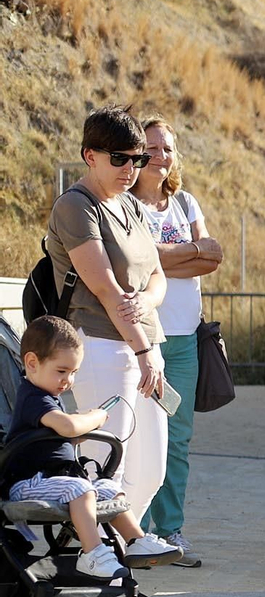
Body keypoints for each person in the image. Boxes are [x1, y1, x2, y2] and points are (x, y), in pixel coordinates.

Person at [44, 106, 178, 543]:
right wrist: (141, 351)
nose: (129, 168)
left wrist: (146, 304)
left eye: (137, 159)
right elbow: (104, 288)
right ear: (90, 156)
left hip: (145, 345)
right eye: (118, 158)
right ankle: (91, 559)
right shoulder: (75, 206)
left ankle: (119, 549)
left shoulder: (132, 206)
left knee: (151, 467)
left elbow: (157, 277)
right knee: (105, 461)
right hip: (101, 344)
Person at [5, 317, 181, 578]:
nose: (68, 380)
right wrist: (94, 417)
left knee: (110, 489)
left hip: (54, 477)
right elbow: (67, 427)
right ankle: (93, 554)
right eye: (62, 371)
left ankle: (135, 541)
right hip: (28, 482)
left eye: (74, 373)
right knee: (81, 488)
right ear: (32, 363)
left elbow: (60, 434)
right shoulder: (33, 398)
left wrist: (74, 436)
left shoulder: (49, 396)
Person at [132, 115, 222, 568]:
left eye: (167, 148)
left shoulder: (185, 202)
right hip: (142, 342)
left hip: (185, 342)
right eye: (151, 148)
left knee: (177, 440)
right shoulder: (125, 205)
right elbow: (139, 265)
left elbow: (214, 255)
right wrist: (183, 255)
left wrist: (165, 259)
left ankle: (170, 531)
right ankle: (137, 532)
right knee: (140, 435)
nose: (160, 156)